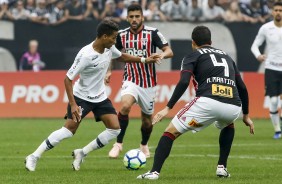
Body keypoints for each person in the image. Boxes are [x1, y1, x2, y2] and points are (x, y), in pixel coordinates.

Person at [24, 19, 160, 172]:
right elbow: (67, 79)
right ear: (104, 36)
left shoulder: (109, 48)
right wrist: (74, 104)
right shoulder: (86, 55)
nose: (115, 41)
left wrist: (144, 60)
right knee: (68, 131)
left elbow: (121, 56)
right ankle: (34, 156)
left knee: (115, 129)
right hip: (81, 97)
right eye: (113, 37)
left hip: (100, 97)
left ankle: (82, 153)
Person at [137, 25, 255, 180]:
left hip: (207, 102)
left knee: (170, 132)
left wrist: (167, 108)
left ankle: (154, 173)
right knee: (228, 124)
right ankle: (222, 167)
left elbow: (184, 81)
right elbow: (242, 87)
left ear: (193, 42)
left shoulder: (192, 56)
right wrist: (246, 115)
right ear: (211, 41)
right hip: (233, 106)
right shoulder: (227, 57)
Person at [108, 4, 173, 159]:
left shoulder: (153, 33)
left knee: (146, 122)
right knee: (124, 106)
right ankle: (118, 144)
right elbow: (111, 53)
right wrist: (108, 70)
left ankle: (144, 144)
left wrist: (161, 56)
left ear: (142, 17)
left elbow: (169, 51)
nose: (134, 19)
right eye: (131, 17)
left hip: (148, 83)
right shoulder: (121, 35)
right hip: (130, 79)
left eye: (137, 16)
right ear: (127, 18)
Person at [251, 2, 282, 139]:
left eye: (281, 10)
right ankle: (277, 130)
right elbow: (254, 45)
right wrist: (258, 55)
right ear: (272, 12)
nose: (278, 13)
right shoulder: (266, 28)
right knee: (274, 101)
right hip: (271, 68)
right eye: (276, 10)